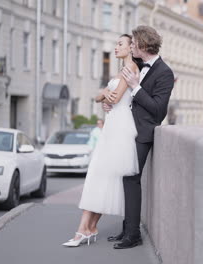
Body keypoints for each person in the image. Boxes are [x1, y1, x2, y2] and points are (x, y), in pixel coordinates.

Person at [62, 34, 140, 247]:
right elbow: (100, 98)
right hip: (112, 124)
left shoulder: (131, 68)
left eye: (120, 44)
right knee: (99, 175)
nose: (116, 48)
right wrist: (105, 95)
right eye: (116, 44)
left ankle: (85, 229)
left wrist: (105, 94)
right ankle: (87, 228)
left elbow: (112, 98)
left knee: (104, 175)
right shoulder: (119, 72)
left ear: (131, 48)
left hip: (121, 126)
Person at [104, 25, 175, 249]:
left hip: (143, 134)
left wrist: (135, 87)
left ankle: (133, 234)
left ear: (143, 45)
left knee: (131, 179)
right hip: (128, 130)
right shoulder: (140, 66)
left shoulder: (164, 72)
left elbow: (158, 110)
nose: (131, 46)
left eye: (133, 43)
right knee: (126, 179)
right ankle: (128, 229)